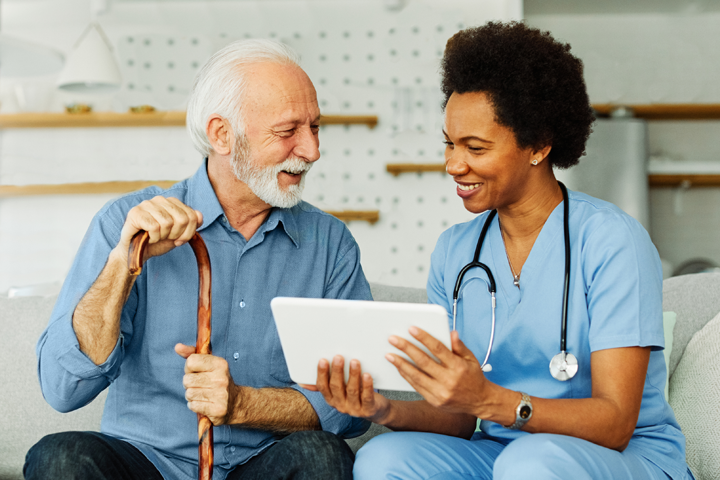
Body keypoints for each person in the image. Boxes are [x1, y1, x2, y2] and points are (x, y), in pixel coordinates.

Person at [309, 22, 694, 479]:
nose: (454, 164)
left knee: (529, 464)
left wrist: (490, 401)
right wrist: (382, 410)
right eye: (450, 144)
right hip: (501, 453)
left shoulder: (612, 241)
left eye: (475, 147)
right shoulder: (456, 251)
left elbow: (614, 424)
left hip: (620, 458)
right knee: (383, 459)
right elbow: (459, 417)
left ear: (538, 145)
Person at [24, 39, 371, 480]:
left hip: (261, 465)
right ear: (222, 135)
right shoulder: (125, 222)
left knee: (322, 456)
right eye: (288, 132)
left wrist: (244, 404)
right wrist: (122, 265)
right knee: (61, 457)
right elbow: (62, 388)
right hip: (146, 460)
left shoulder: (330, 244)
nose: (311, 150)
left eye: (315, 128)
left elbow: (355, 409)